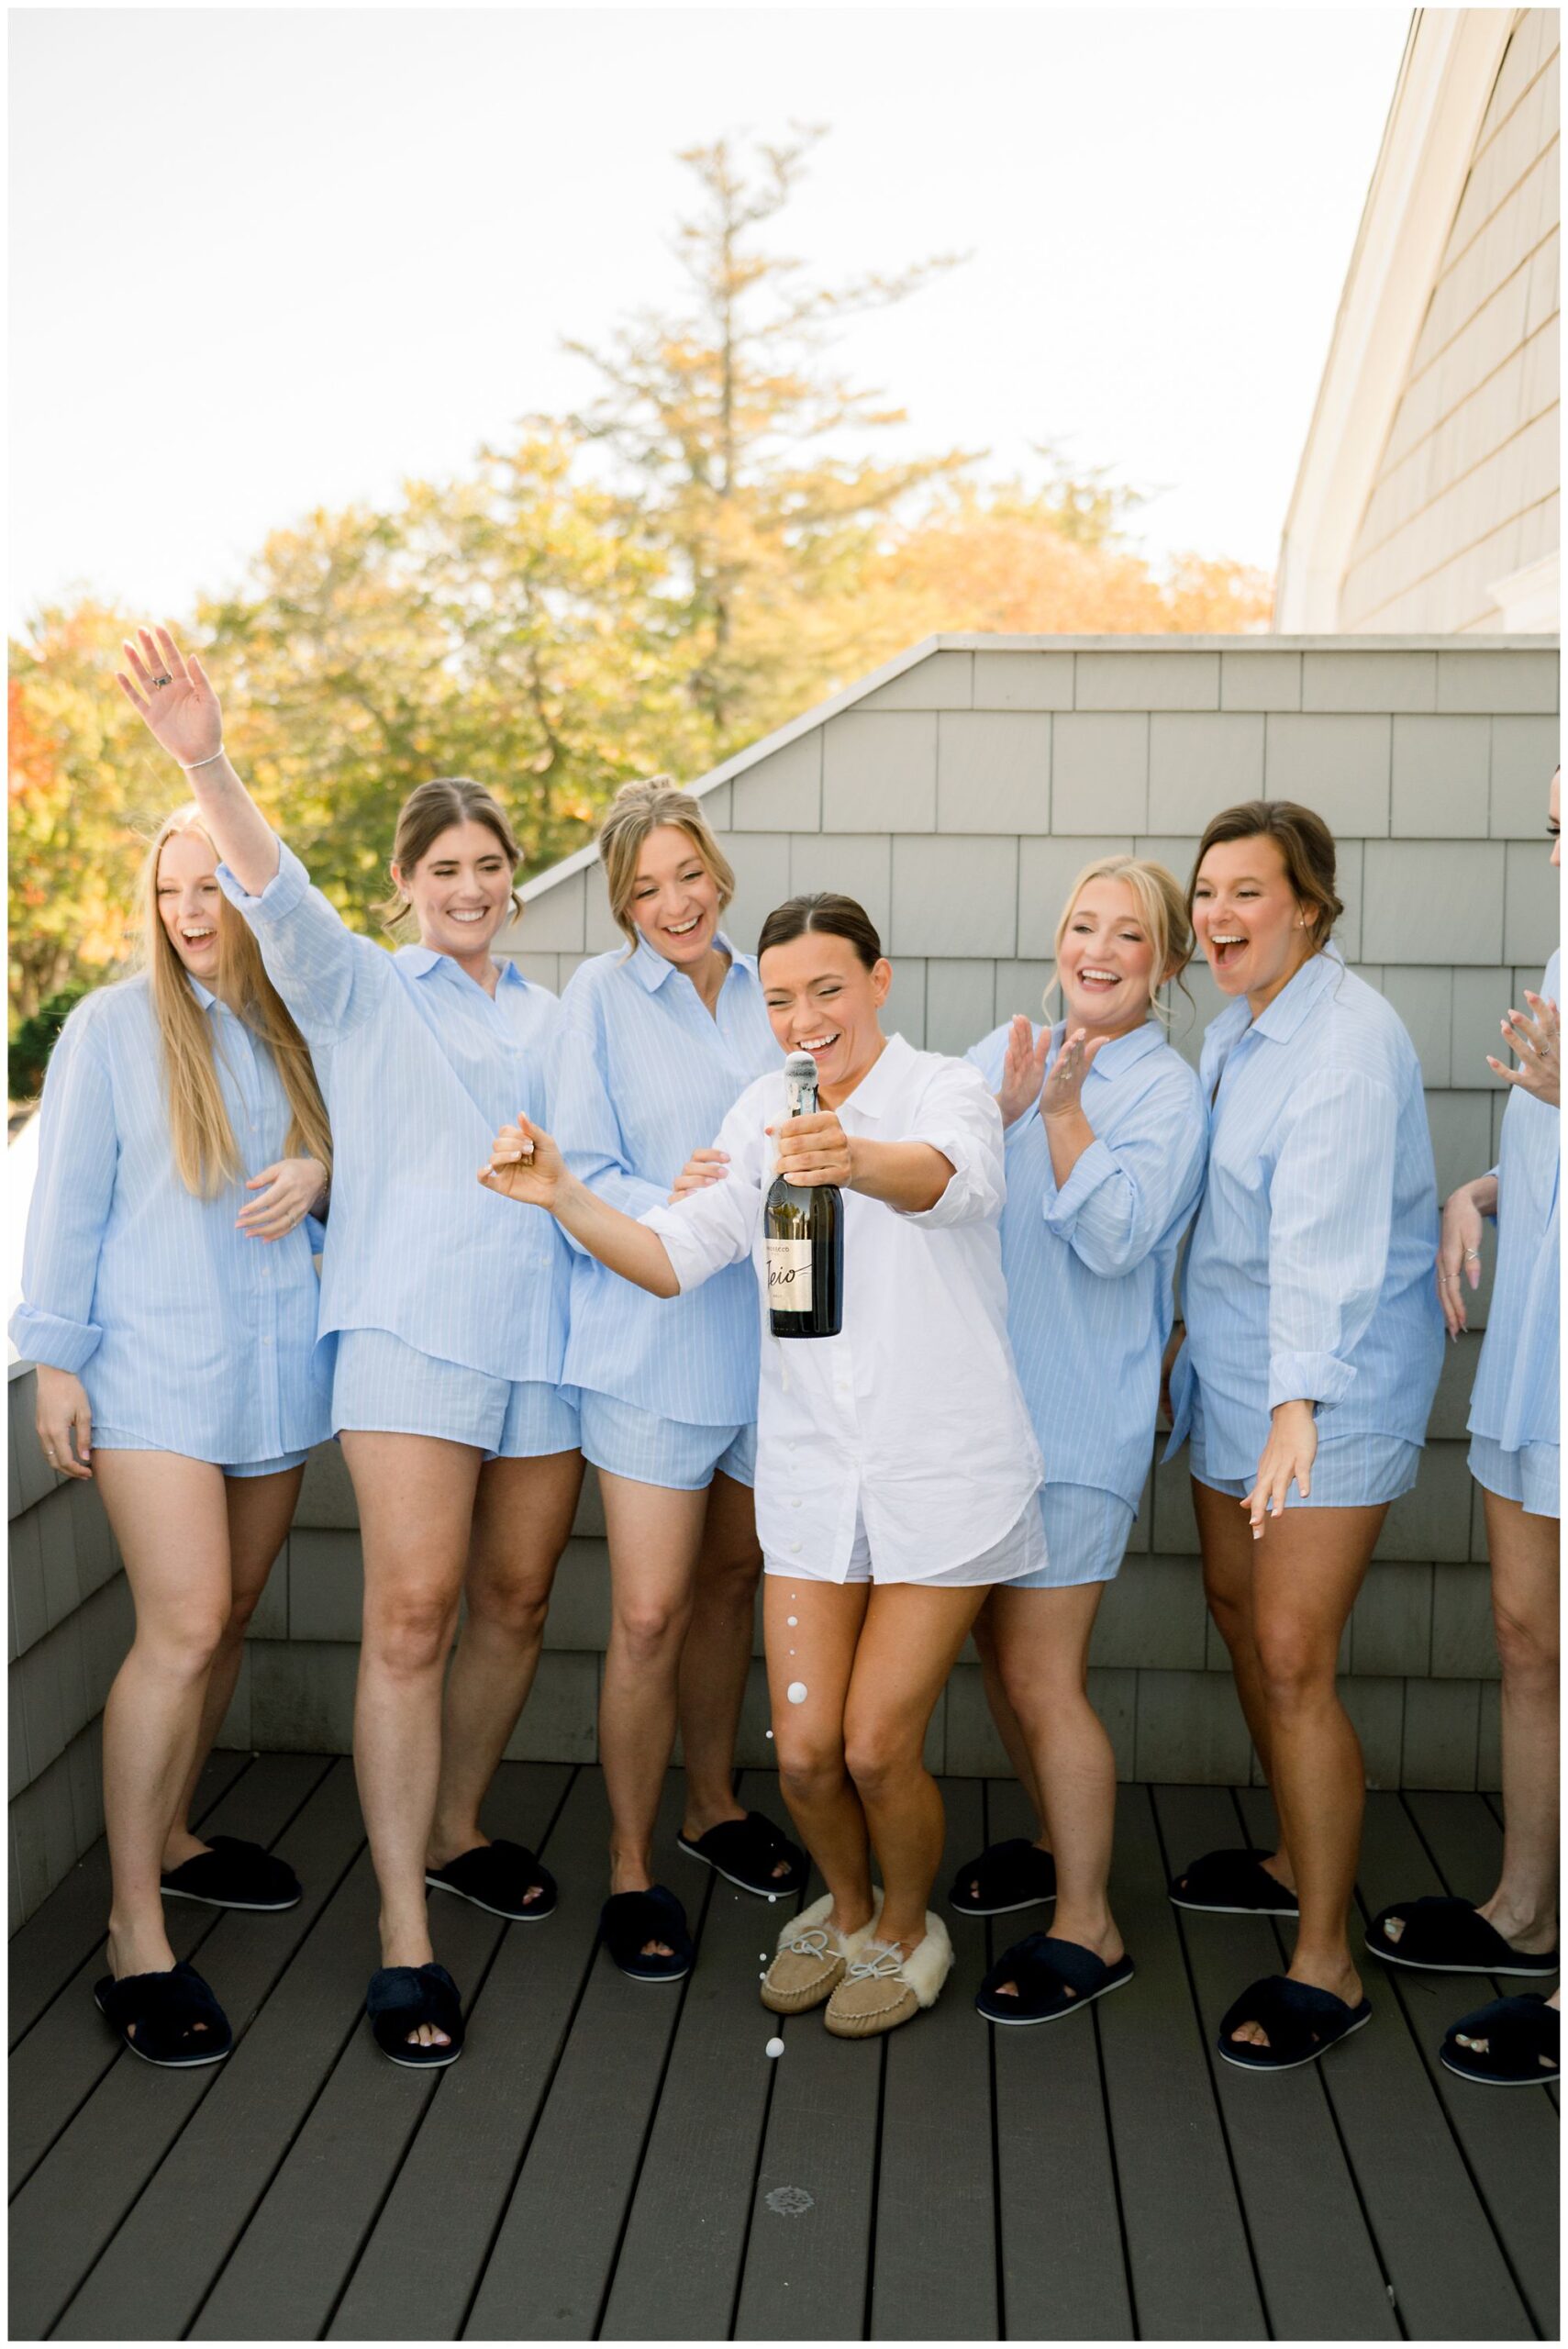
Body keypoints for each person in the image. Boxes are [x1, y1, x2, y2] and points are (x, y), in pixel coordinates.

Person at [117, 626, 582, 2070]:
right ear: (406, 887)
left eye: (489, 866)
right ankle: (402, 1934)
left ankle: (453, 1826)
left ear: (514, 879)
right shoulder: (363, 989)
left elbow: (611, 1162)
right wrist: (204, 755)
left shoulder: (559, 1018)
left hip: (546, 1344)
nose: (469, 887)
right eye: (442, 870)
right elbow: (273, 887)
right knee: (410, 1618)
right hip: (406, 1339)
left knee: (513, 1604)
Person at [482, 893, 1045, 2037]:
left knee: (877, 1745)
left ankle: (904, 1925)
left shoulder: (942, 1090)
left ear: (878, 982)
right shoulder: (757, 1114)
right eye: (781, 998)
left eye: (827, 989)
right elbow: (674, 1255)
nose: (804, 1017)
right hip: (810, 1481)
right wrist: (567, 1196)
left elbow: (957, 1182)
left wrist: (851, 1156)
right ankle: (841, 1911)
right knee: (799, 1758)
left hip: (942, 1474)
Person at [12, 804, 332, 2067]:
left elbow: (357, 1151)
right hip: (150, 1369)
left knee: (235, 1608)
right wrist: (52, 1360)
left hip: (273, 1365)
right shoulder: (109, 1029)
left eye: (214, 889)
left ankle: (180, 1837)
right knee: (186, 1621)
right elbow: (66, 1203)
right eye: (170, 892)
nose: (193, 913)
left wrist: (322, 1170)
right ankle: (133, 1926)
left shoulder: (294, 1021)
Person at [1162, 799, 1444, 2072]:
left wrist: (1293, 1410)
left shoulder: (1340, 1040)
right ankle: (1290, 1851)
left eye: (1247, 894)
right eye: (1206, 893)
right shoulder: (1239, 1028)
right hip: (1236, 1374)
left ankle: (1325, 1956)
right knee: (1238, 1611)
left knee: (1288, 1650)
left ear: (1310, 908)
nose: (1217, 917)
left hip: (1325, 1391)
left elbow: (1323, 1245)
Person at [550, 781, 803, 1982]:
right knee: (648, 1612)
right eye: (644, 889)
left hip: (775, 1348)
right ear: (620, 902)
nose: (673, 904)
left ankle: (711, 1805)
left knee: (732, 1579)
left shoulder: (779, 985)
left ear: (717, 869)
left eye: (686, 875)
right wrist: (681, 1194)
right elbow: (580, 1174)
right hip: (652, 1344)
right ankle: (630, 1865)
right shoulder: (596, 999)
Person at [953, 857, 1207, 2029]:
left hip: (1079, 1421)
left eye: (1129, 935)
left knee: (1044, 1674)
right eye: (1080, 927)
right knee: (1001, 1664)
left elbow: (1113, 1240)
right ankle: (1062, 1847)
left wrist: (1059, 1114)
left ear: (1165, 962)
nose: (1096, 952)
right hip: (980, 1417)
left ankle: (1087, 1922)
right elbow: (921, 1163)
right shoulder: (1002, 1048)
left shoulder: (1166, 1093)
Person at [1368, 769, 1560, 2087]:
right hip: (1537, 1342)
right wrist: (1483, 1186)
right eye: (1554, 822)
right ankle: (1521, 1908)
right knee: (1521, 1635)